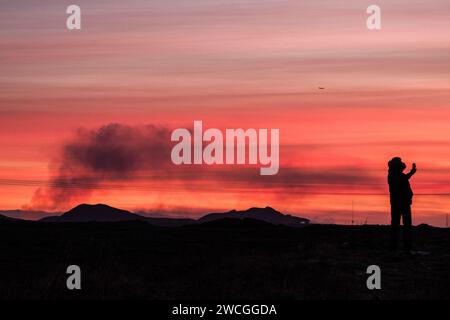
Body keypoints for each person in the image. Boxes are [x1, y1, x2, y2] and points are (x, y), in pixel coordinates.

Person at [387, 157, 416, 251]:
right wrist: (411, 172)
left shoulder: (395, 175)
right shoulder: (395, 176)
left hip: (401, 203)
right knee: (402, 225)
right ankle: (402, 247)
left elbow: (404, 178)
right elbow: (403, 179)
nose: (402, 166)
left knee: (398, 225)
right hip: (401, 203)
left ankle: (396, 246)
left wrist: (411, 172)